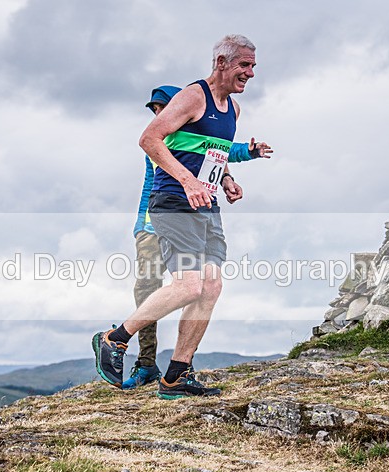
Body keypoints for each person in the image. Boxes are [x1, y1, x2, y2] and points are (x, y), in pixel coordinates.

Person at [93, 34, 264, 398]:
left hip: (207, 206)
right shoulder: (192, 96)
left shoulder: (233, 110)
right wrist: (187, 181)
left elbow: (214, 153)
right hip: (173, 202)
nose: (250, 73)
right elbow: (149, 139)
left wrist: (227, 180)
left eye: (253, 66)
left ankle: (176, 375)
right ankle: (114, 339)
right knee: (189, 285)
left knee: (211, 286)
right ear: (221, 62)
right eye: (244, 65)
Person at [123, 85, 272, 389]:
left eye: (163, 109)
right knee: (150, 289)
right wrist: (141, 224)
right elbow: (162, 174)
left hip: (196, 215)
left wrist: (236, 167)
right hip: (155, 222)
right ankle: (145, 362)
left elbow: (217, 152)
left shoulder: (190, 132)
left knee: (200, 286)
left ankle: (179, 367)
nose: (158, 115)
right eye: (155, 111)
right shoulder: (163, 141)